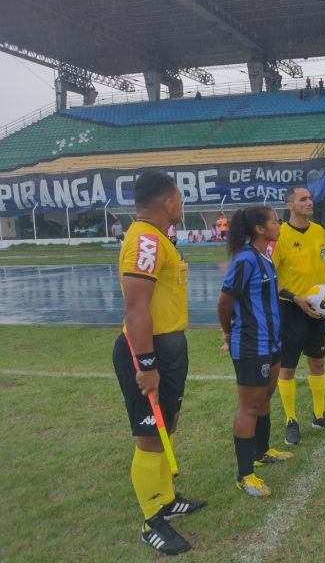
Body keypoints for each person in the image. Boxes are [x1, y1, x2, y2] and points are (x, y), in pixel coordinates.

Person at [112, 172, 206, 555]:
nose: (181, 205)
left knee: (167, 425)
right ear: (168, 201)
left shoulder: (158, 238)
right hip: (147, 350)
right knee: (150, 436)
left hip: (168, 346)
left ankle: (166, 499)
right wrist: (147, 364)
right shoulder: (147, 240)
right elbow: (136, 310)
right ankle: (152, 520)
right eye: (179, 198)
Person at [217, 206, 293, 498]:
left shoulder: (265, 256)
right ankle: (245, 474)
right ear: (260, 229)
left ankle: (262, 451)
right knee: (249, 406)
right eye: (275, 221)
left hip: (272, 341)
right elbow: (224, 303)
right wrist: (228, 332)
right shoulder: (245, 260)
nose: (279, 224)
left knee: (265, 397)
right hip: (251, 344)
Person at [273, 186, 325, 445]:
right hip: (291, 309)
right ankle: (291, 419)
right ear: (290, 204)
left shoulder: (318, 232)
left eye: (311, 198)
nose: (310, 202)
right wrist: (296, 299)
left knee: (318, 363)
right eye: (303, 199)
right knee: (288, 368)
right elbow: (271, 280)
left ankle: (319, 414)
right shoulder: (279, 235)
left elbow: (322, 266)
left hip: (317, 310)